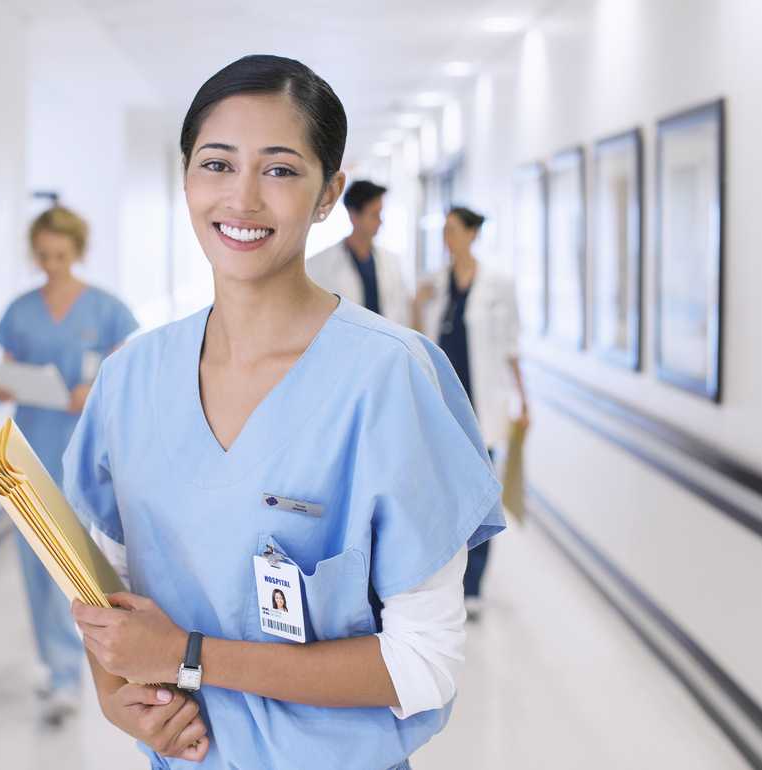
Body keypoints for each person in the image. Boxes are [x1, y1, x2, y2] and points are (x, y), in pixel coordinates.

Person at [64, 55, 504, 769]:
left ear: (328, 193)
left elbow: (424, 664)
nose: (240, 200)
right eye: (215, 164)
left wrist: (189, 657)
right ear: (185, 179)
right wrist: (118, 696)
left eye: (278, 170)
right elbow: (102, 592)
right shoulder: (130, 380)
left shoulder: (390, 378)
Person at [0, 205, 138, 724]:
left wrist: (91, 389)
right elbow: (4, 373)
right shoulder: (20, 310)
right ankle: (57, 671)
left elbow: (124, 375)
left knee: (84, 569)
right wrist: (7, 384)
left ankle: (99, 669)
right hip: (28, 454)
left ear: (78, 252)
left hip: (85, 457)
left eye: (61, 255)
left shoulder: (106, 309)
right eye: (43, 256)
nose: (51, 265)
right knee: (37, 565)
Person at [413, 206, 529, 620]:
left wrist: (523, 401)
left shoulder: (499, 284)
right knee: (443, 498)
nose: (446, 238)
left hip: (483, 409)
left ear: (472, 234)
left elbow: (512, 347)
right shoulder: (434, 284)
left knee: (481, 499)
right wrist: (417, 303)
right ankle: (442, 579)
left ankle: (474, 584)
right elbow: (414, 340)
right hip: (442, 408)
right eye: (443, 231)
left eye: (452, 230)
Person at [305, 180, 411, 326]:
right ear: (353, 215)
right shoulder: (319, 265)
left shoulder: (391, 261)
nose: (380, 221)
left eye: (380, 214)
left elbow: (401, 310)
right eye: (374, 214)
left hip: (387, 343)